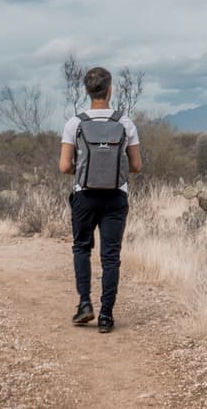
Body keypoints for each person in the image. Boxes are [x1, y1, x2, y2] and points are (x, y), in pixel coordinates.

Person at [58, 66, 143, 333]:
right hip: (116, 196)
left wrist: (85, 169)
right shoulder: (124, 123)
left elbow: (64, 166)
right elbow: (137, 166)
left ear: (86, 90)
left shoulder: (75, 123)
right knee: (111, 256)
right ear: (110, 89)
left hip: (84, 195)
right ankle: (106, 315)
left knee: (82, 248)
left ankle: (85, 304)